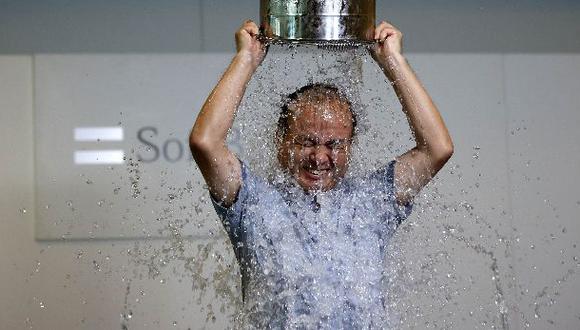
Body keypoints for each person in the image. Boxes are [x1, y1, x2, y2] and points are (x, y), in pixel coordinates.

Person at [190, 19, 453, 328]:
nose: (319, 157)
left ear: (350, 147)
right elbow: (205, 143)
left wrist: (393, 60)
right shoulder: (253, 204)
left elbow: (436, 149)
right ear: (281, 141)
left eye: (334, 144)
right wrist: (245, 59)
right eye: (306, 142)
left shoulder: (371, 203)